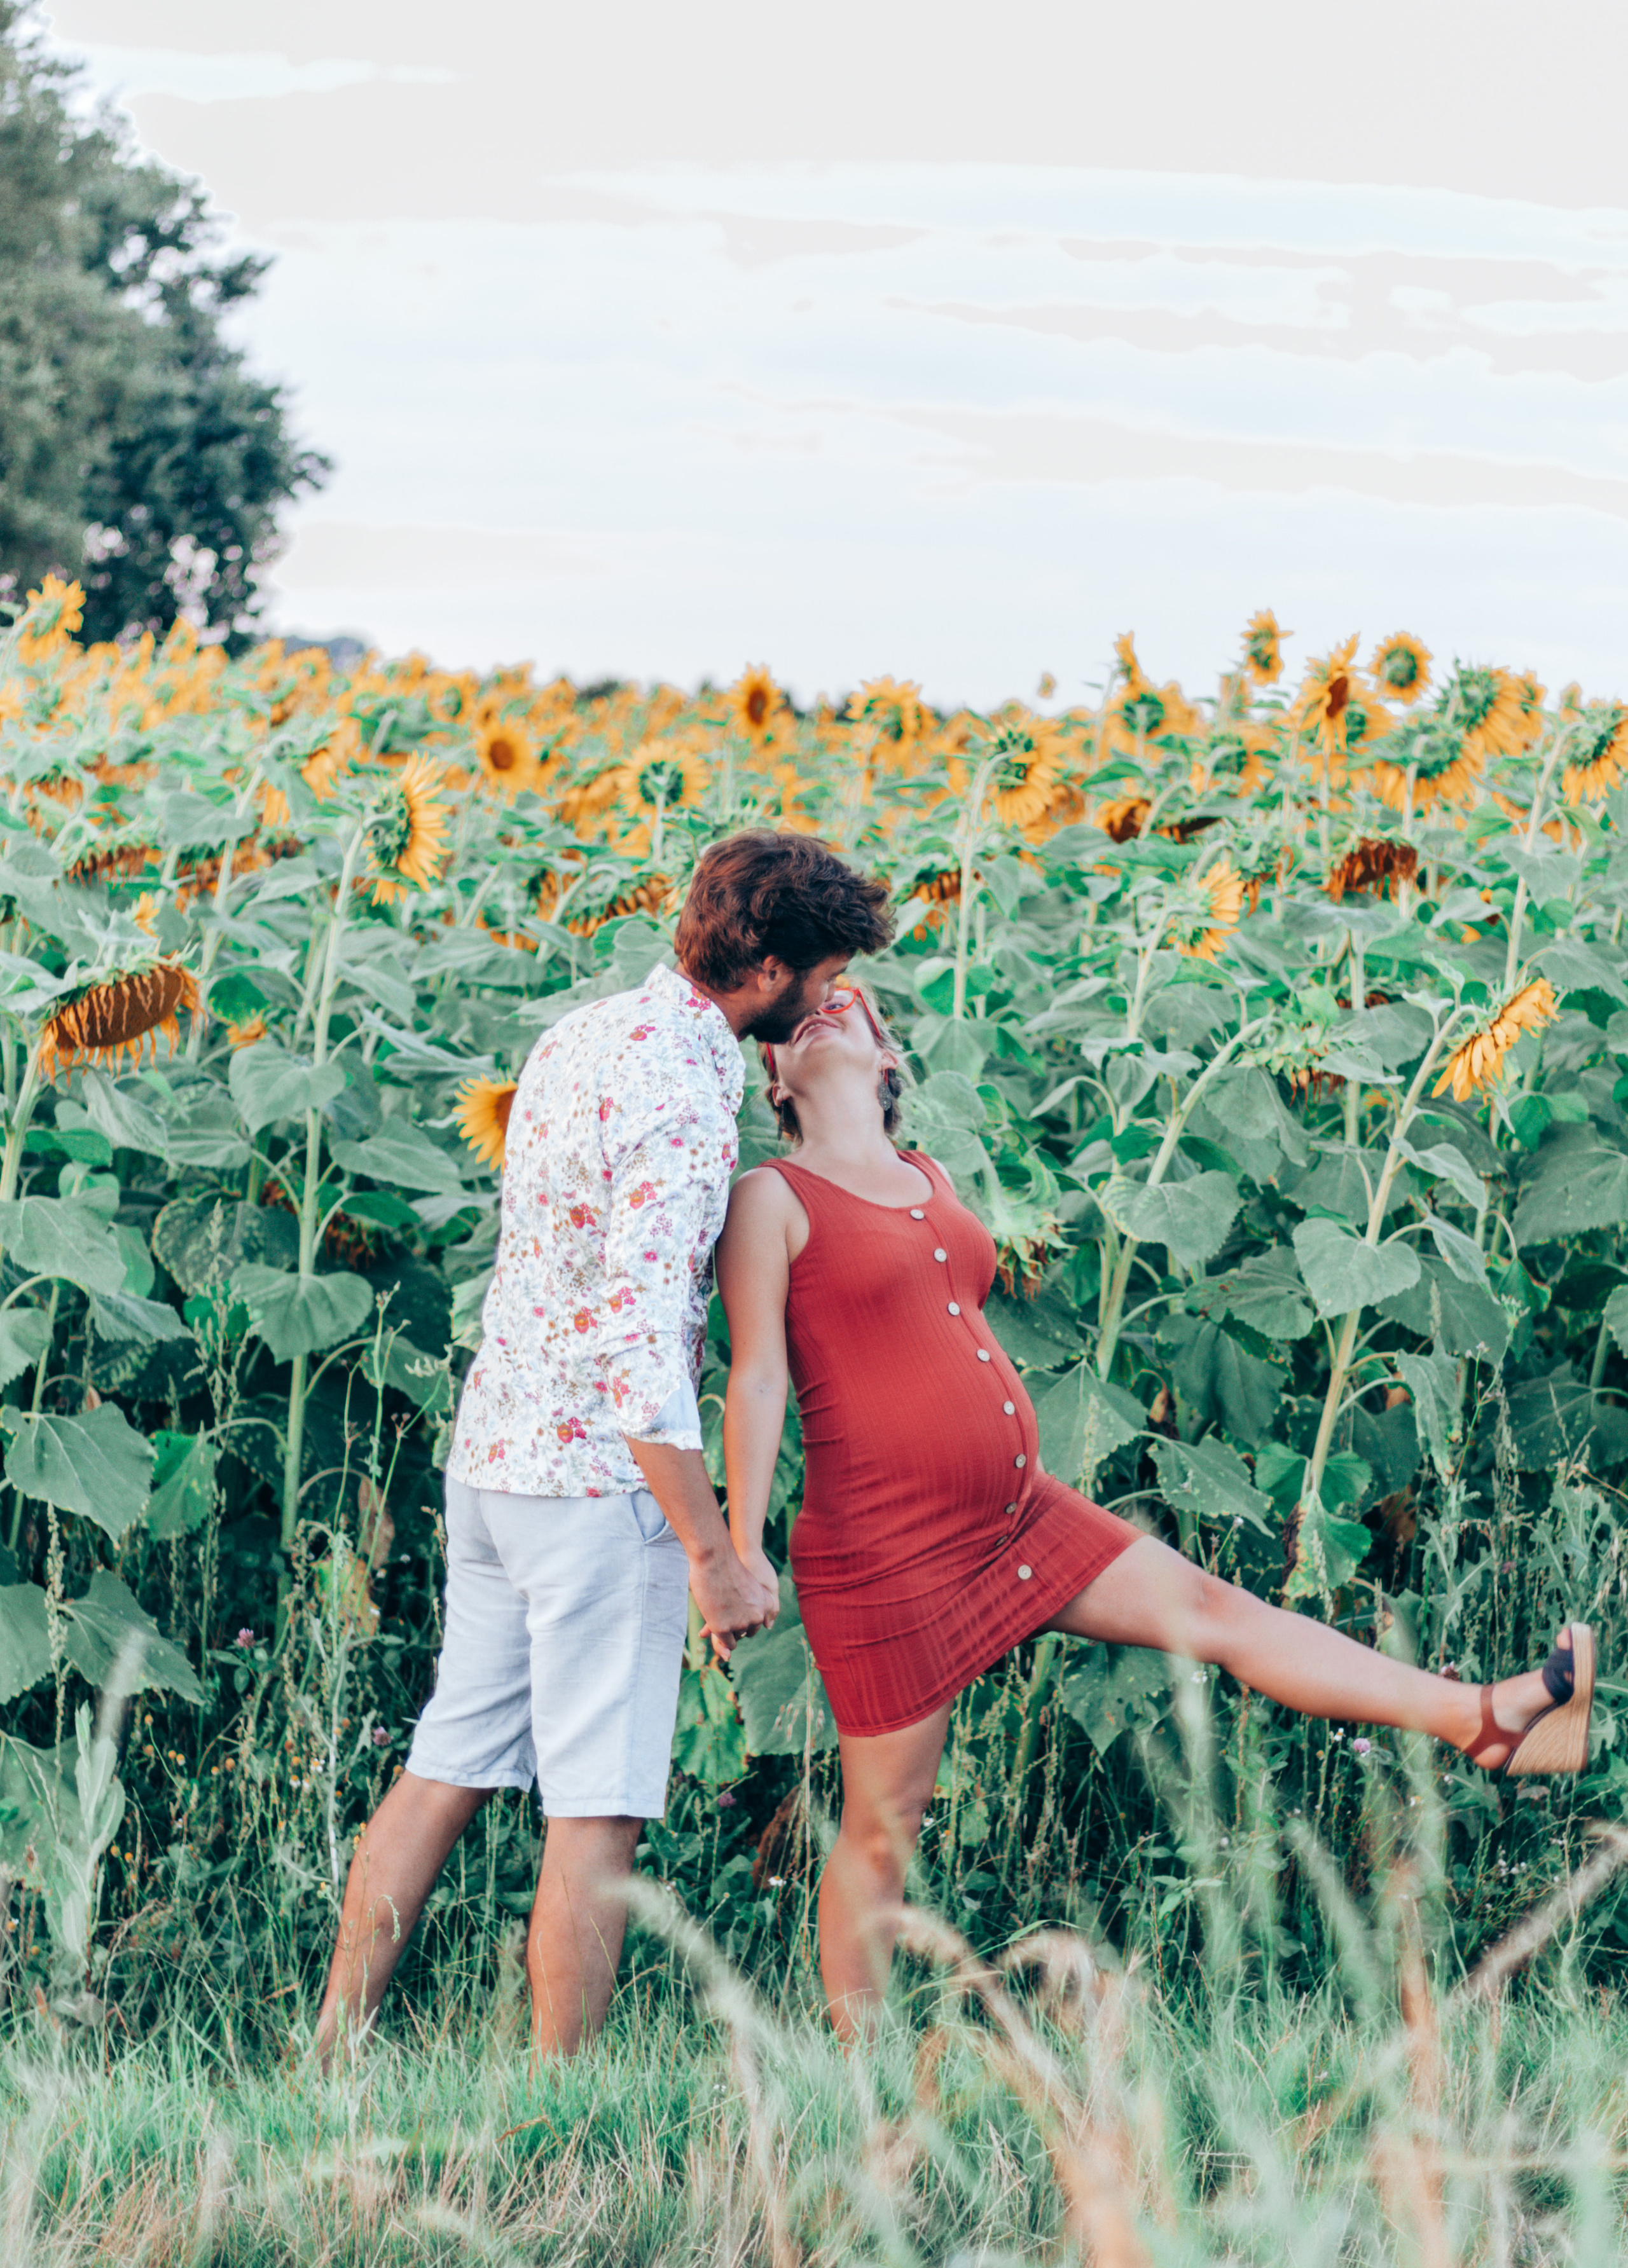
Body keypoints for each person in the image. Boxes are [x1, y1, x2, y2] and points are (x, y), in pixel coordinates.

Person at [715, 980, 1597, 2040]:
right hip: (887, 1549)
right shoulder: (773, 1197)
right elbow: (758, 1379)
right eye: (798, 1010)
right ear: (770, 1072)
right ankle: (859, 2086)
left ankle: (1483, 1720)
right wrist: (738, 1548)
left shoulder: (927, 1173)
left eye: (845, 1001)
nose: (821, 1007)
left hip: (1012, 1515)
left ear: (887, 1056)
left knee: (1220, 1615)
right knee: (882, 1824)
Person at [314, 832, 893, 2064]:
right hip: (596, 1490)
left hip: (496, 1461)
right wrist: (712, 1555)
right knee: (596, 1815)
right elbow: (641, 1356)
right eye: (828, 971)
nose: (835, 993)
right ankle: (554, 2103)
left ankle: (329, 2052)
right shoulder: (690, 1099)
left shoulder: (581, 1036)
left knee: (443, 1769)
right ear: (775, 968)